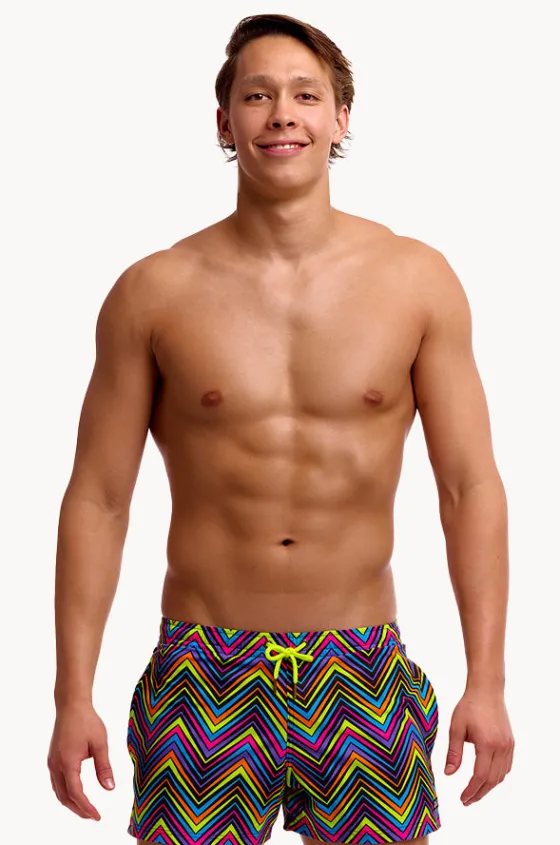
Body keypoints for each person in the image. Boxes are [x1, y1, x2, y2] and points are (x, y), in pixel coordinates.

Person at [47, 12, 514, 845]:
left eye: (305, 94)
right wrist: (71, 694)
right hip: (204, 671)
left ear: (341, 118)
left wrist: (489, 680)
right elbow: (99, 498)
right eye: (257, 95)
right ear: (224, 122)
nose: (282, 114)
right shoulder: (154, 291)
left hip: (360, 666)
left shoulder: (416, 280)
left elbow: (467, 485)